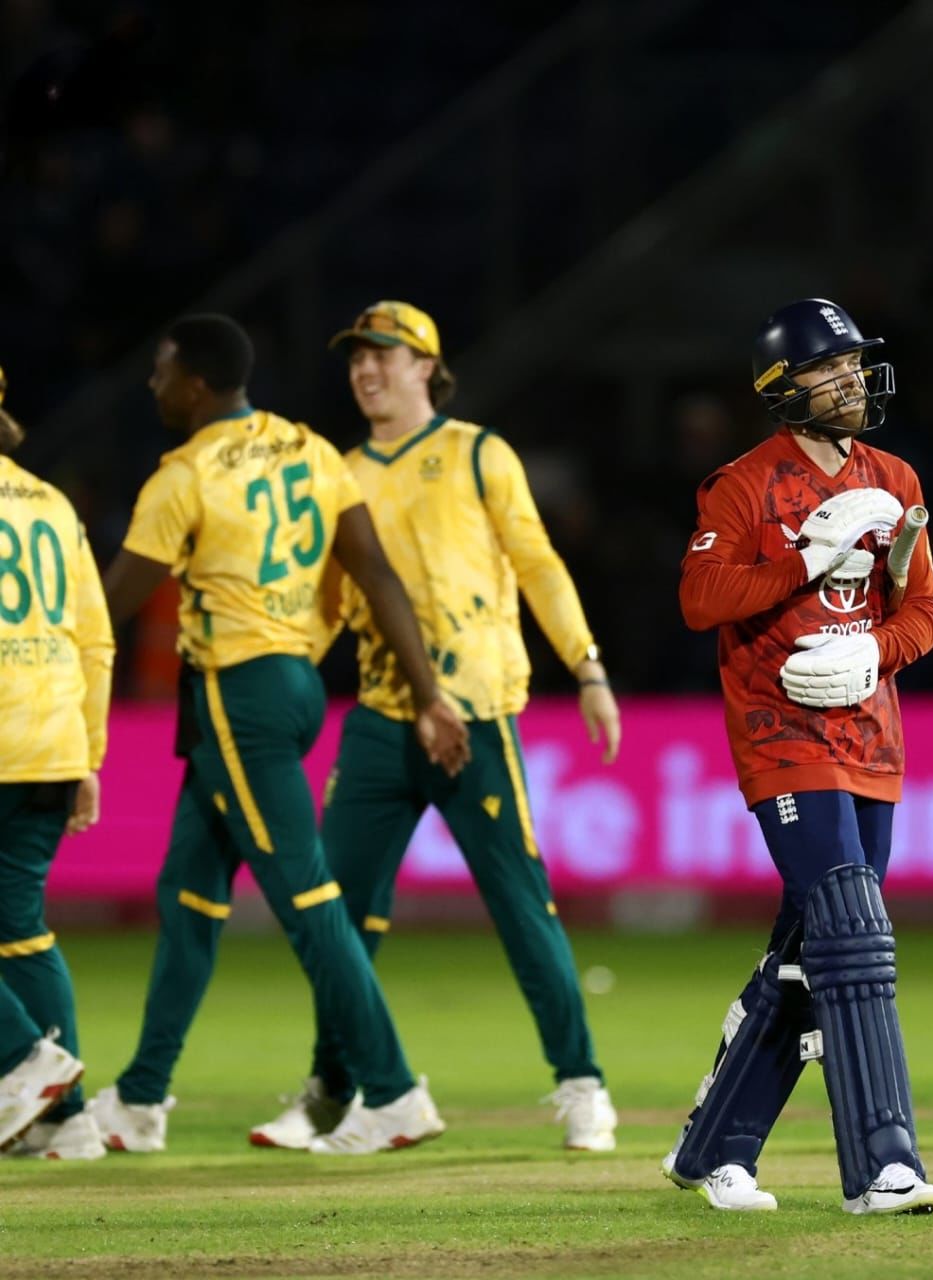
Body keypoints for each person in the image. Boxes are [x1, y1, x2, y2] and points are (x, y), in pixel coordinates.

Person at [86, 314, 470, 1155]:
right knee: (188, 894)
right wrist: (430, 694)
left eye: (161, 372)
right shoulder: (311, 450)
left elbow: (103, 609)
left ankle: (395, 1091)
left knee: (306, 898)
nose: (154, 386)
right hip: (296, 687)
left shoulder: (181, 476)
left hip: (239, 691)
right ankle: (141, 1099)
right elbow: (376, 575)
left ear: (196, 383)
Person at [251, 300, 622, 1155]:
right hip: (382, 720)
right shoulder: (338, 473)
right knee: (336, 913)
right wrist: (271, 671)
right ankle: (332, 1093)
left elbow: (537, 563)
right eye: (356, 358)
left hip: (478, 714)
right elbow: (330, 607)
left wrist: (589, 668)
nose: (366, 369)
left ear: (427, 365)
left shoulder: (477, 453)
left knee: (521, 908)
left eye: (383, 353)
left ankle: (582, 1086)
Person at [660, 298, 933, 1214]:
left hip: (871, 737)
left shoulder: (895, 477)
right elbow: (702, 599)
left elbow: (922, 611)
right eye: (833, 367)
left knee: (808, 949)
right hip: (781, 736)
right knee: (855, 939)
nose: (853, 379)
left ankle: (716, 1149)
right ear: (786, 389)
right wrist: (806, 561)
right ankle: (882, 1165)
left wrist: (876, 651)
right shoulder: (744, 485)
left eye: (858, 363)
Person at [0, 369, 114, 1158]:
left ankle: (23, 1061)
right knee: (21, 931)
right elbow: (95, 639)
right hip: (50, 741)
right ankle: (69, 1120)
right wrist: (89, 752)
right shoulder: (50, 503)